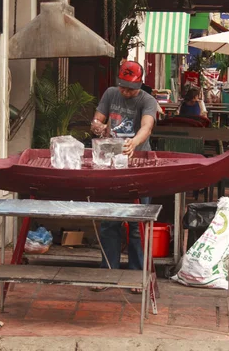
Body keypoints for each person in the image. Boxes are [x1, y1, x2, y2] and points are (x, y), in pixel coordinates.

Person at [90, 61, 156, 293]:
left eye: (131, 88)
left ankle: (138, 276)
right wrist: (98, 127)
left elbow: (147, 127)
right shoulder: (110, 94)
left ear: (140, 84)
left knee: (137, 223)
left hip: (138, 165)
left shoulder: (147, 100)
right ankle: (108, 272)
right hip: (111, 164)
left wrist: (133, 143)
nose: (126, 92)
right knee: (109, 221)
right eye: (123, 87)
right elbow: (97, 120)